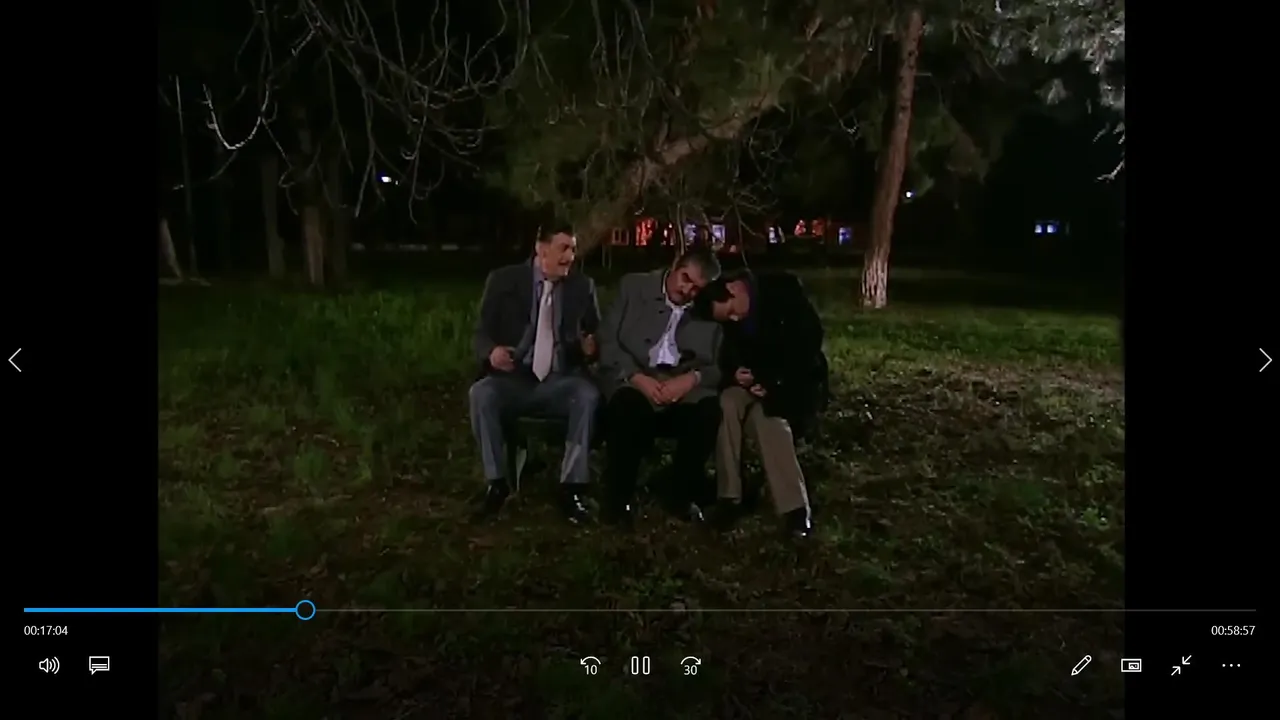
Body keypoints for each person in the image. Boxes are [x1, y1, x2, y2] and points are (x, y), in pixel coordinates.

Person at [469, 225, 602, 525]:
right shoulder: (504, 280)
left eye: (573, 249)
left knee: (586, 395)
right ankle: (496, 483)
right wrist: (491, 352)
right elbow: (480, 334)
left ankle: (572, 488)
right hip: (513, 377)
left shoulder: (582, 286)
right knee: (481, 393)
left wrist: (590, 348)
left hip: (559, 379)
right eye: (564, 248)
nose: (571, 256)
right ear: (541, 250)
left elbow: (594, 336)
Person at [597, 248, 724, 526]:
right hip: (634, 379)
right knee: (627, 408)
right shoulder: (633, 287)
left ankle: (680, 495)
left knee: (709, 411)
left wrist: (691, 379)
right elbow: (606, 341)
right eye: (685, 278)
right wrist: (636, 376)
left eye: (696, 288)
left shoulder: (707, 312)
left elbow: (718, 365)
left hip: (681, 387)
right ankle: (618, 500)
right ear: (675, 265)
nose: (687, 290)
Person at [698, 268, 827, 539]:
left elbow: (808, 345)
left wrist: (772, 382)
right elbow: (728, 356)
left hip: (790, 383)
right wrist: (735, 373)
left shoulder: (783, 292)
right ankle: (729, 497)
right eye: (727, 318)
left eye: (732, 311)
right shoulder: (731, 318)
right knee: (727, 403)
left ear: (735, 288)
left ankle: (795, 509)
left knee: (767, 419)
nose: (733, 319)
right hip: (751, 383)